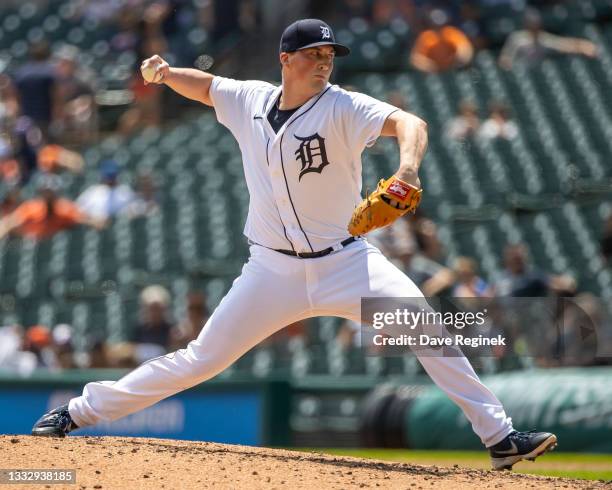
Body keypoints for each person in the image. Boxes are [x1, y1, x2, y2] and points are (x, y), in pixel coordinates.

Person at [31, 18, 556, 471]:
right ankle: (78, 412)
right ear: (286, 59)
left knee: (427, 330)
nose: (325, 62)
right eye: (314, 54)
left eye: (330, 54)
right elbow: (208, 86)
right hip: (271, 272)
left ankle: (501, 439)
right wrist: (167, 74)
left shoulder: (345, 107)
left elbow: (410, 122)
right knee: (200, 359)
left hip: (347, 263)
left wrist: (407, 168)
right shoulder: (250, 99)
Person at [0, 175, 104, 240]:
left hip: (53, 245)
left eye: (50, 192)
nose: (48, 195)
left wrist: (98, 223)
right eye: (45, 192)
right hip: (33, 245)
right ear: (41, 193)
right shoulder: (31, 208)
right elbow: (8, 223)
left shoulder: (65, 208)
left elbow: (85, 219)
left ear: (56, 193)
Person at [499, 8, 597, 71]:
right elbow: (505, 59)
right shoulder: (517, 38)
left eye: (535, 23)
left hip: (539, 74)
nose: (534, 26)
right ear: (526, 24)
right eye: (531, 23)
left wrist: (583, 45)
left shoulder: (544, 38)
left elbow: (564, 44)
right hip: (521, 73)